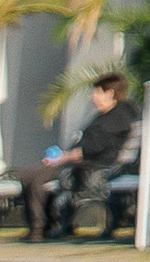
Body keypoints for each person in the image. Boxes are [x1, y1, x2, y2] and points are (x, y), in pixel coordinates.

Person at [15, 68, 139, 241]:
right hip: (75, 165)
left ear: (110, 93)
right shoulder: (104, 117)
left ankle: (38, 228)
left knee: (35, 179)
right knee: (26, 175)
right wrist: (62, 156)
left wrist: (62, 158)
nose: (92, 97)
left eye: (97, 92)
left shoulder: (116, 119)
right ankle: (41, 225)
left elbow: (91, 149)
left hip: (90, 170)